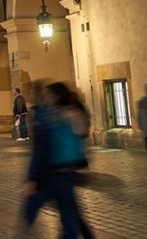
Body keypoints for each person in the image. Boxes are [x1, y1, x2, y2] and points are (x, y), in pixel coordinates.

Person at [21, 82, 89, 238]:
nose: (46, 97)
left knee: (30, 211)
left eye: (49, 95)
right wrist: (81, 168)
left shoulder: (45, 116)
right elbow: (80, 143)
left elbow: (39, 150)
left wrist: (32, 179)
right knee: (70, 217)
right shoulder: (73, 114)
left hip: (48, 175)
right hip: (68, 174)